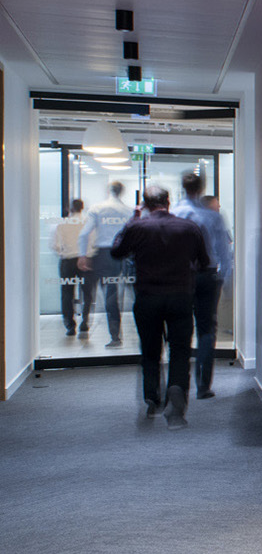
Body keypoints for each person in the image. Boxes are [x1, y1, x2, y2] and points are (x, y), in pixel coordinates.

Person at [111, 185, 210, 427]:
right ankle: (176, 394)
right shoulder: (188, 227)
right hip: (180, 296)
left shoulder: (137, 227)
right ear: (168, 201)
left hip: (147, 297)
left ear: (145, 205)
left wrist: (132, 220)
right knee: (180, 350)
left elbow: (116, 251)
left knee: (150, 351)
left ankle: (152, 398)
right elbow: (204, 261)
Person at [172, 171, 234, 399]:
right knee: (206, 330)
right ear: (201, 188)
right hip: (208, 276)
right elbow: (224, 252)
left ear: (183, 187)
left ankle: (179, 384)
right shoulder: (213, 216)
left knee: (180, 329)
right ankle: (203, 386)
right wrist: (224, 279)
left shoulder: (174, 213)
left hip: (180, 277)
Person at [78, 181, 133, 344]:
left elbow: (84, 234)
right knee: (115, 294)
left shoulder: (97, 208)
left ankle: (89, 326)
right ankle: (116, 335)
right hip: (122, 254)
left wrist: (82, 255)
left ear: (109, 191)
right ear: (122, 192)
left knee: (98, 293)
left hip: (103, 254)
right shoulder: (128, 211)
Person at [50, 198, 86, 337]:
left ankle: (70, 325)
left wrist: (63, 252)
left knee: (67, 294)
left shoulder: (62, 224)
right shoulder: (87, 222)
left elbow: (55, 245)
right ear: (82, 208)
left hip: (67, 262)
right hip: (84, 260)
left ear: (69, 208)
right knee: (87, 292)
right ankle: (85, 322)